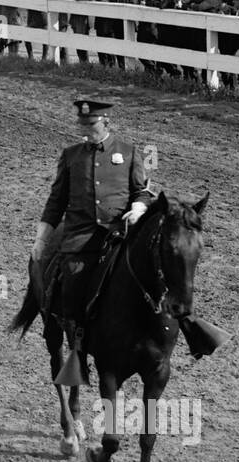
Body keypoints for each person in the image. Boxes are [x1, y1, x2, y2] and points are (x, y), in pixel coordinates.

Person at [29, 98, 156, 358]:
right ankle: (77, 342)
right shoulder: (71, 156)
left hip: (119, 235)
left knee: (159, 274)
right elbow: (56, 201)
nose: (84, 127)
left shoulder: (129, 152)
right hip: (80, 239)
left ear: (106, 122)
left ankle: (183, 325)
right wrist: (42, 239)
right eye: (82, 123)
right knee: (71, 288)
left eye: (90, 123)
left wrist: (139, 209)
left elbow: (142, 192)